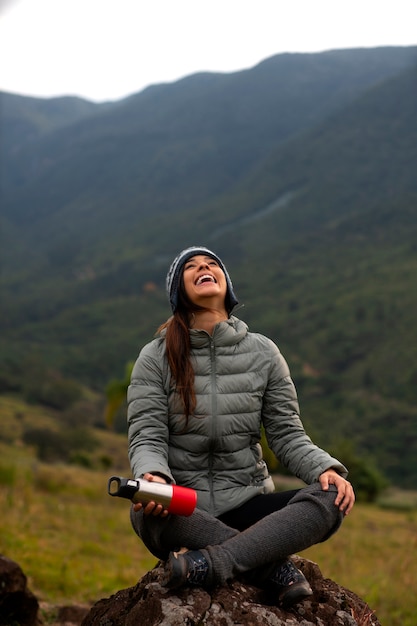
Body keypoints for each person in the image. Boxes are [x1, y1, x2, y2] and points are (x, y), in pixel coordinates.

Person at [127, 246, 355, 608]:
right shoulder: (155, 357)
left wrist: (324, 467)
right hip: (185, 507)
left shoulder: (263, 352)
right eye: (191, 266)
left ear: (225, 285)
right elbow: (147, 434)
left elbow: (286, 433)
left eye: (211, 263)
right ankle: (269, 564)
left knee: (331, 498)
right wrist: (153, 475)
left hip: (249, 501)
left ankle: (213, 564)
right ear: (178, 292)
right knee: (146, 512)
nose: (204, 267)